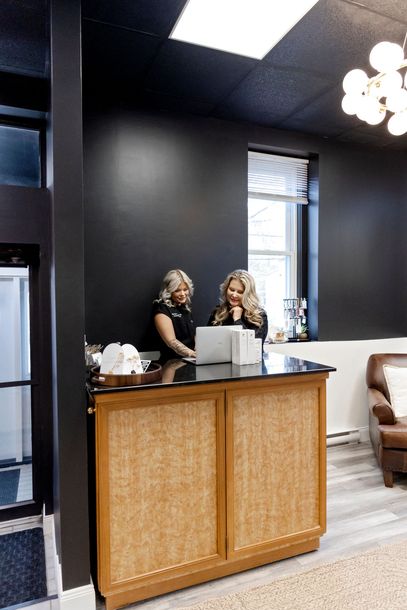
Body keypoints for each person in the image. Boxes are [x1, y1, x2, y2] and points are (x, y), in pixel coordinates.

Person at [208, 269, 268, 344]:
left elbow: (252, 345)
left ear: (248, 294)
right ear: (226, 289)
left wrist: (237, 320)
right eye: (232, 289)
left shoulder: (259, 315)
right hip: (221, 356)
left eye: (240, 292)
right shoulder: (218, 312)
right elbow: (208, 340)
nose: (234, 295)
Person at [152, 269, 196, 361]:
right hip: (171, 362)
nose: (183, 294)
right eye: (177, 290)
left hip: (189, 361)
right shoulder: (162, 309)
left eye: (185, 289)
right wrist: (192, 353)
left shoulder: (185, 309)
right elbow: (171, 342)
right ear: (169, 290)